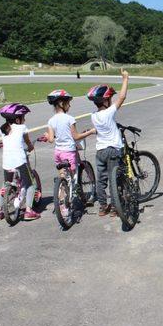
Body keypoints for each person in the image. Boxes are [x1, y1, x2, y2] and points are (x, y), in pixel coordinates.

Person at [87, 69, 129, 217]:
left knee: (101, 180)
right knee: (114, 179)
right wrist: (125, 79)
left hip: (100, 152)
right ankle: (115, 208)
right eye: (109, 98)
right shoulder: (109, 112)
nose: (111, 100)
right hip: (112, 149)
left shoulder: (94, 115)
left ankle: (103, 207)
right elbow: (122, 97)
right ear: (105, 101)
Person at [0, 103, 40, 221]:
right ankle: (29, 211)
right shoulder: (22, 127)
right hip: (20, 161)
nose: (24, 119)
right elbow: (28, 142)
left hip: (6, 162)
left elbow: (9, 140)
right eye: (23, 117)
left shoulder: (2, 129)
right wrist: (30, 147)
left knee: (6, 184)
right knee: (30, 185)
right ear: (18, 119)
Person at [44, 89, 96, 184]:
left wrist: (47, 136)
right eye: (68, 103)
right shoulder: (70, 119)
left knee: (63, 176)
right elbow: (76, 136)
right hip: (69, 152)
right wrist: (90, 132)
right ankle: (75, 189)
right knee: (72, 178)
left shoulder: (51, 120)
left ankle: (61, 194)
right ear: (61, 103)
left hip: (58, 152)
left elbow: (51, 139)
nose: (69, 105)